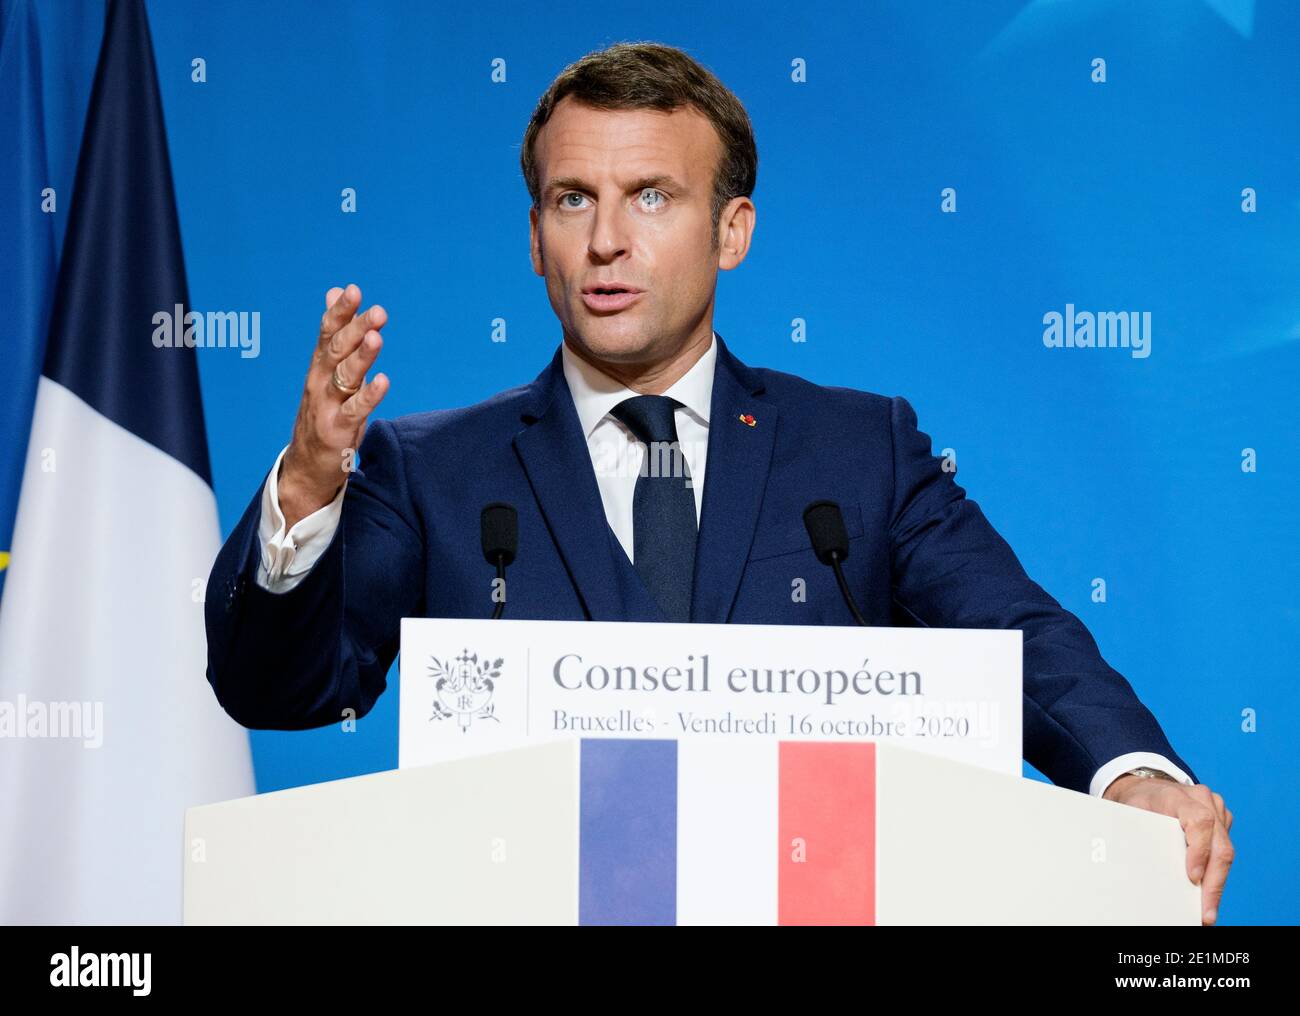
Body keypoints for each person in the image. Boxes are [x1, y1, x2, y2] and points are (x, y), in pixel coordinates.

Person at [203, 42, 1233, 924]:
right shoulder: (426, 467)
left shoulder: (856, 449)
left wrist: (1131, 772)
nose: (606, 239)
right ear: (534, 238)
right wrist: (303, 486)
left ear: (731, 231)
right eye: (573, 199)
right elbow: (276, 689)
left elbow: (1017, 633)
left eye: (651, 195)